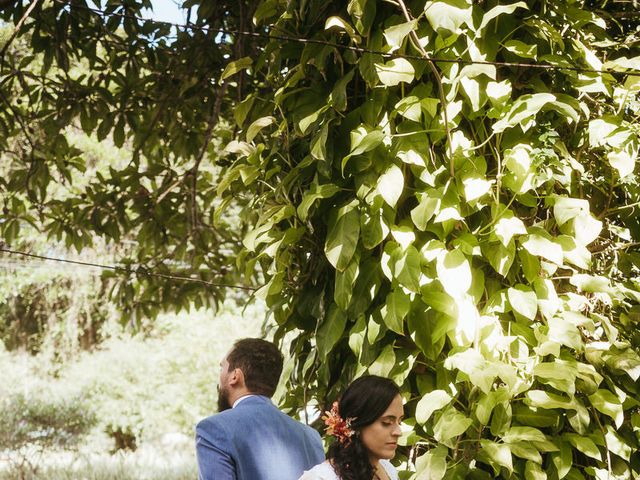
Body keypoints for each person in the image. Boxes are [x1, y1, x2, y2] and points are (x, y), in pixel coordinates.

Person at [195, 338, 325, 480]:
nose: (219, 377)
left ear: (235, 376)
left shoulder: (214, 429)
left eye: (222, 368)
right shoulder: (311, 437)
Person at [299, 375, 402, 480]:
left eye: (400, 421)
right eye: (387, 422)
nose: (398, 432)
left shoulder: (388, 470)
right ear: (357, 423)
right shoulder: (321, 477)